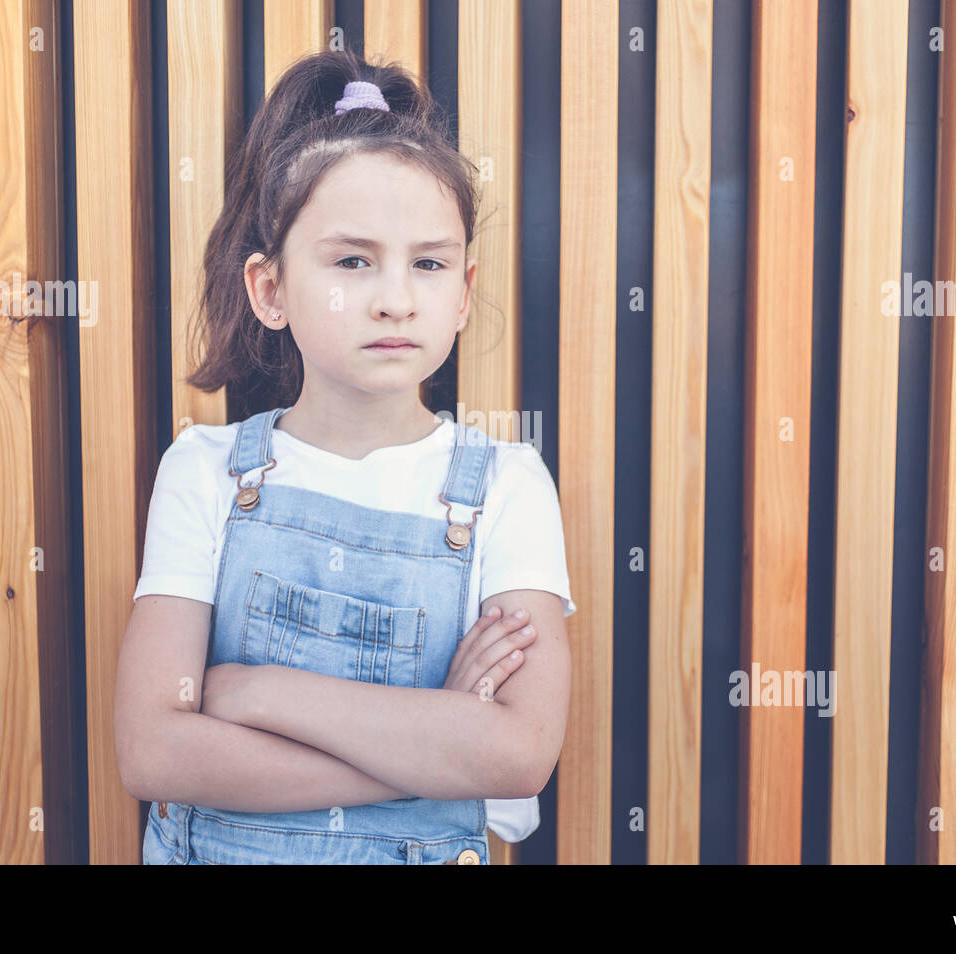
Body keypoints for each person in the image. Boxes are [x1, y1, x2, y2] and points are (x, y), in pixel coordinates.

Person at [113, 48, 576, 865]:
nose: (395, 296)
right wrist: (435, 745)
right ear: (271, 290)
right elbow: (153, 749)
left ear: (463, 292)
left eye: (428, 264)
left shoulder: (507, 487)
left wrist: (256, 695)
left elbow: (518, 755)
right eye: (352, 260)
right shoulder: (206, 472)